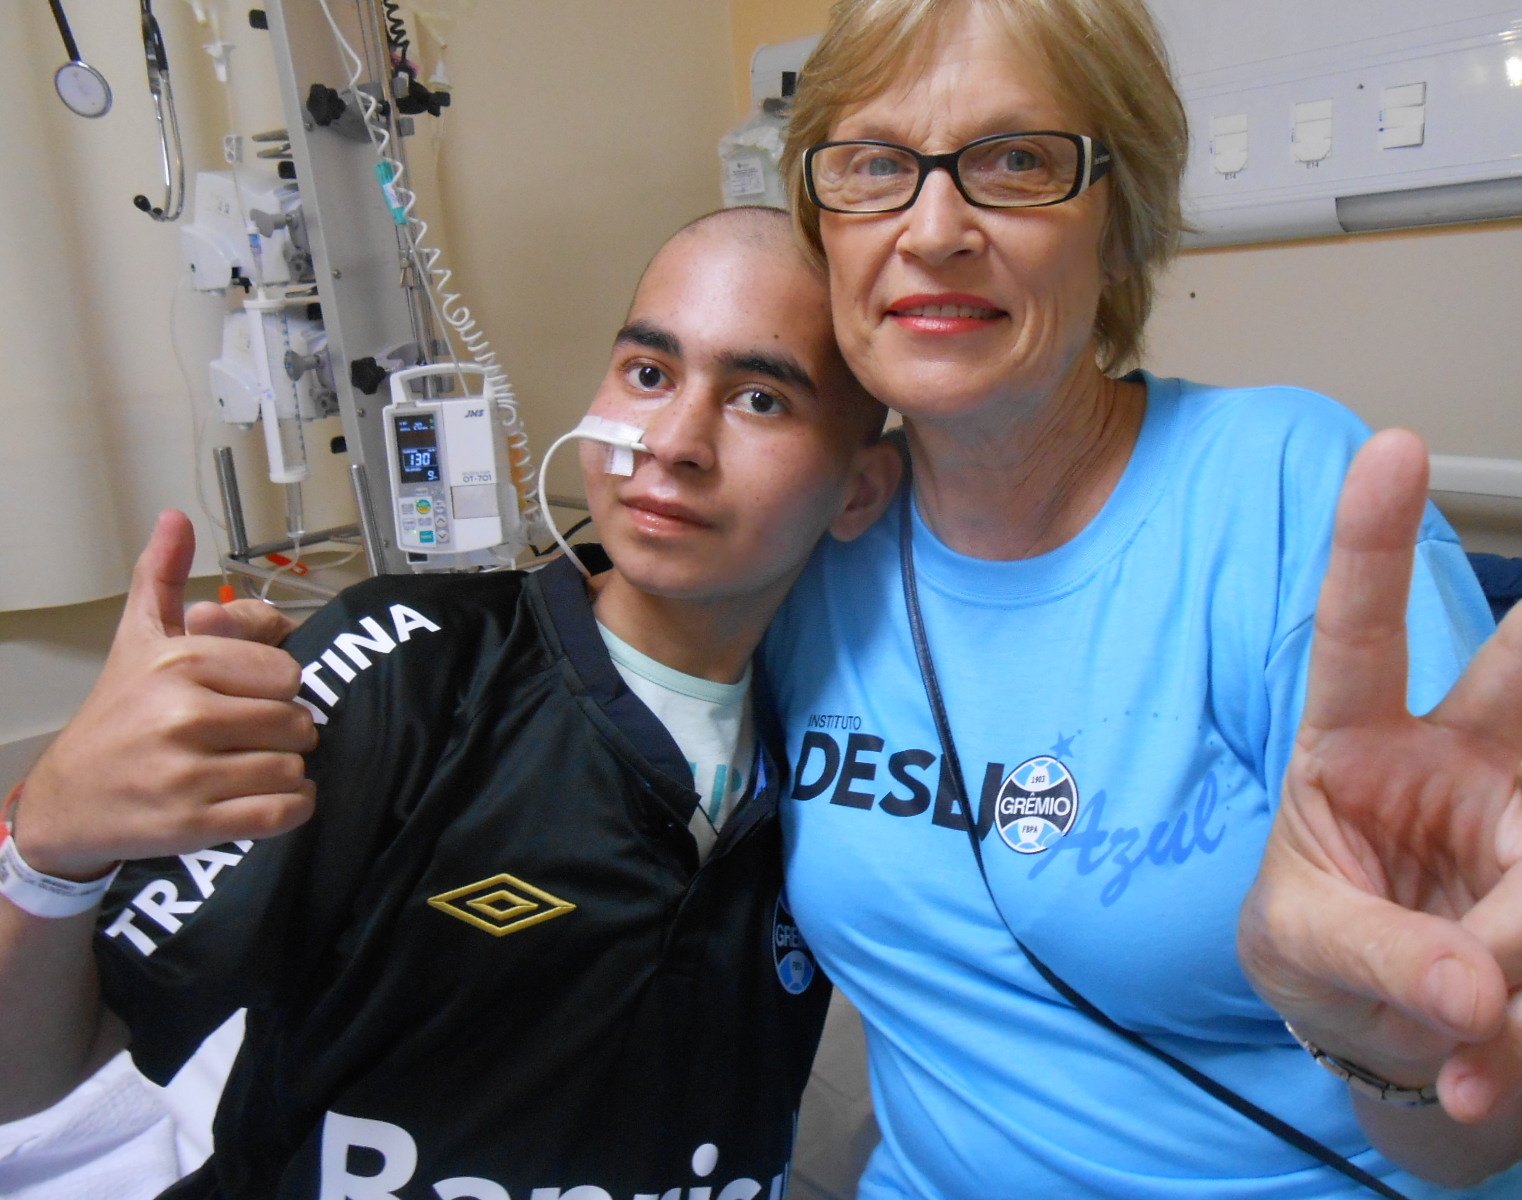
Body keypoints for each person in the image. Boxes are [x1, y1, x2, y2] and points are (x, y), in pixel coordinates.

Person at [759, 1, 1522, 1197]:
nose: (932, 226)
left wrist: (1397, 1049)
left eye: (1014, 161)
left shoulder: (1283, 492)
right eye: (875, 166)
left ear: (1117, 228)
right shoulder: (814, 546)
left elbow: (1479, 1129)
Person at [0, 207, 901, 1199]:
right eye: (649, 374)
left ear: (859, 491)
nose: (673, 441)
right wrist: (49, 854)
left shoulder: (848, 758)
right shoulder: (404, 671)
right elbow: (30, 1077)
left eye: (761, 400)